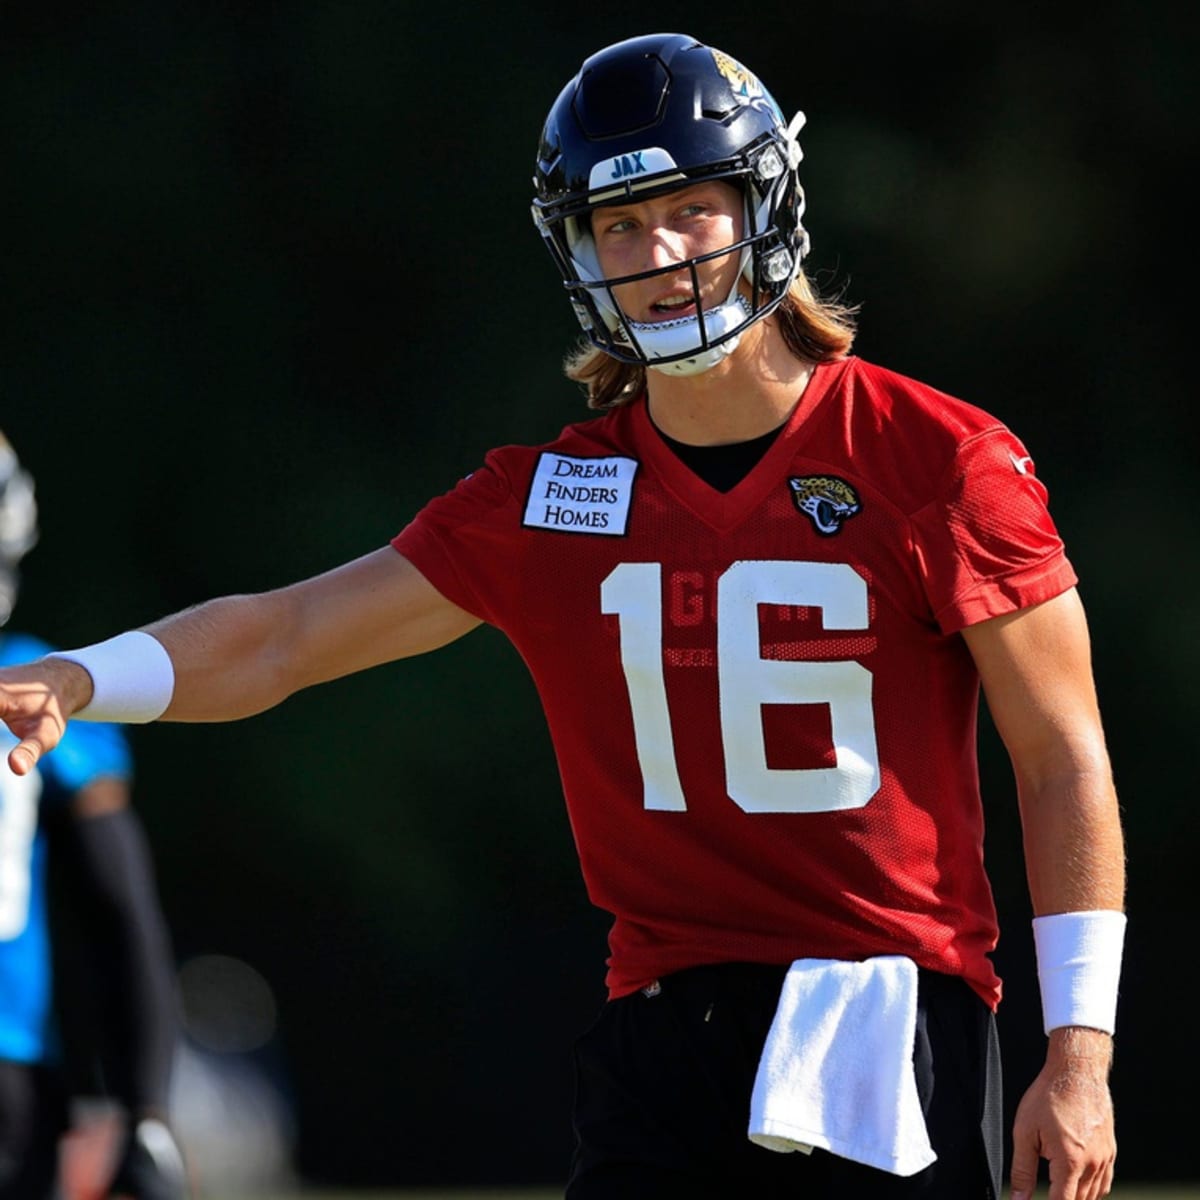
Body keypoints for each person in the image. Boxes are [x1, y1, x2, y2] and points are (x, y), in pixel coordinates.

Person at [0, 32, 1125, 1200]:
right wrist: (86, 676)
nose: (659, 253)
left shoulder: (938, 457)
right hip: (659, 1028)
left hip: (885, 1020)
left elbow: (1061, 759)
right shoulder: (551, 499)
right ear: (576, 248)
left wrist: (1078, 1055)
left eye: (690, 207)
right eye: (620, 224)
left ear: (764, 205)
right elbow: (284, 637)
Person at [0, 433, 189, 1200]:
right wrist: (146, 1109)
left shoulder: (39, 692)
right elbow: (124, 915)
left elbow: (121, 915)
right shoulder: (40, 693)